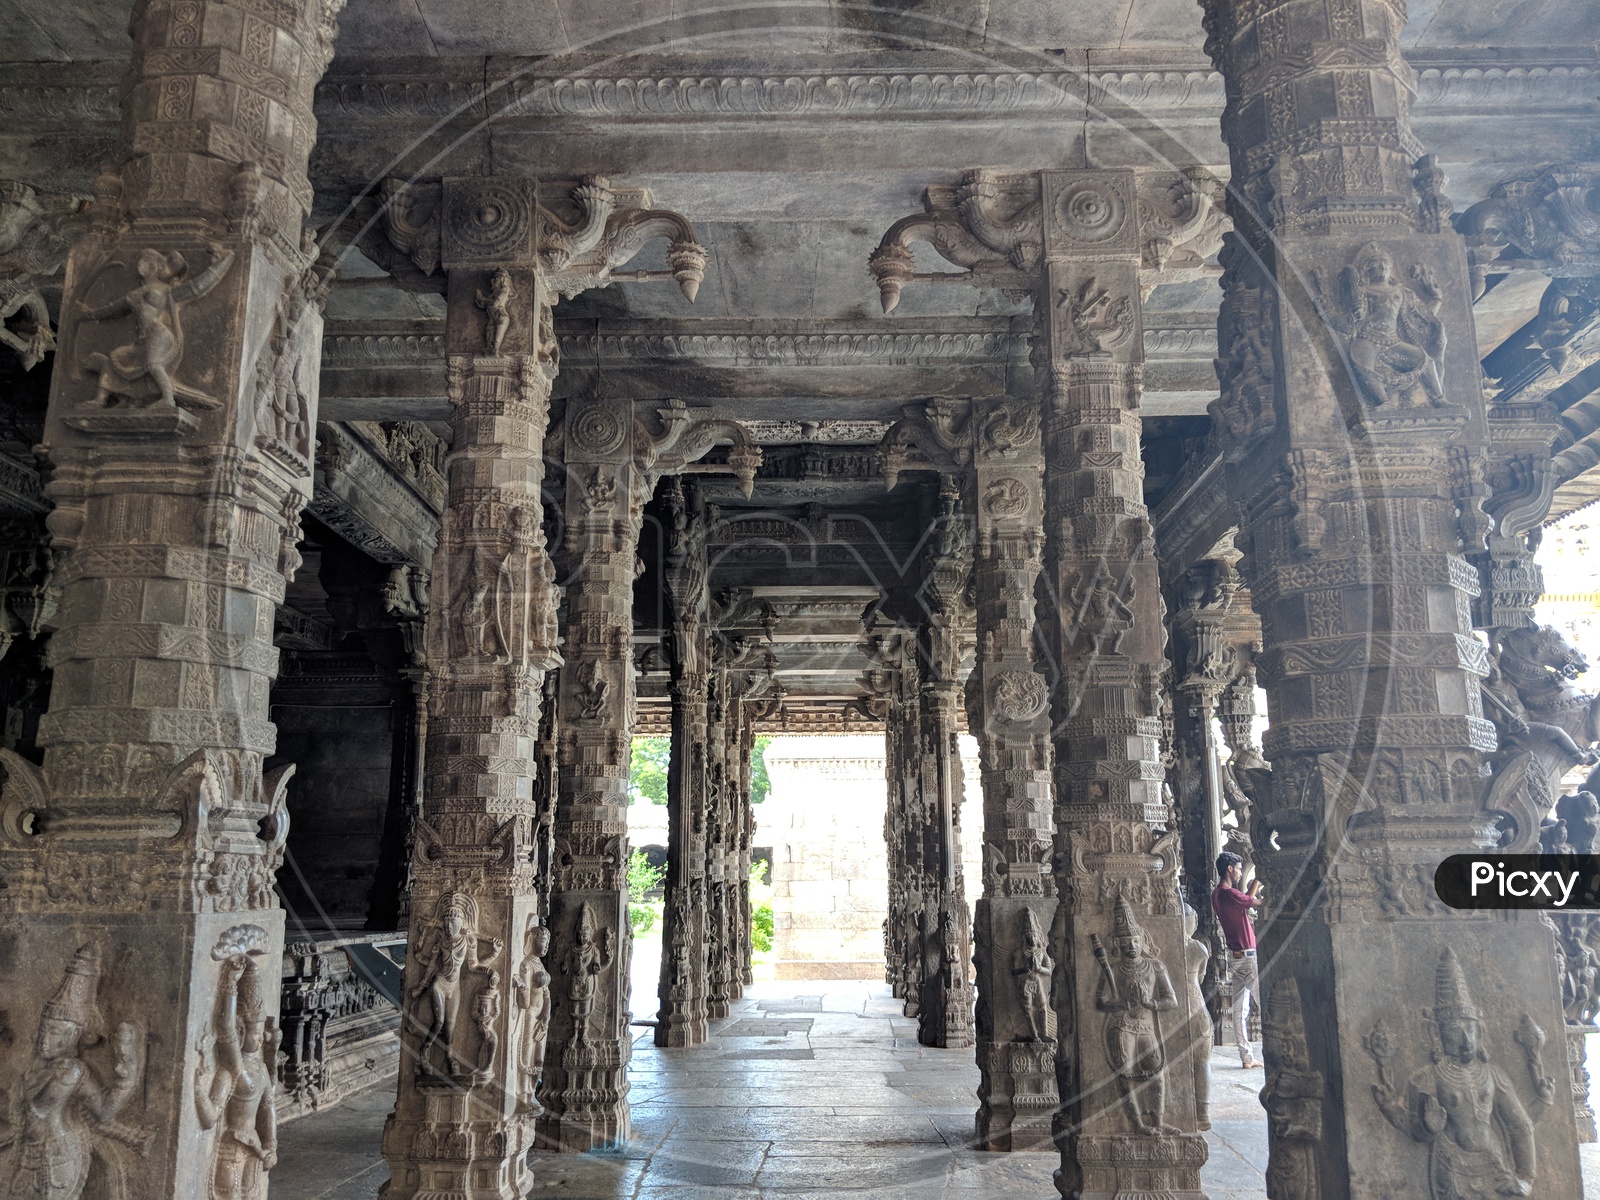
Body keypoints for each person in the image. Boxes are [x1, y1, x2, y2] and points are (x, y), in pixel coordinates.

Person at [1211, 851, 1263, 1069]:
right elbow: (1255, 903)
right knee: (1265, 1002)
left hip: (1236, 956)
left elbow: (1246, 901)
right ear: (1230, 869)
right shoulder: (1229, 893)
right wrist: (1260, 878)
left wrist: (1253, 888)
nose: (1241, 872)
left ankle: (1247, 1058)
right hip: (1247, 957)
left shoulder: (1218, 894)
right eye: (1240, 868)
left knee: (1240, 1010)